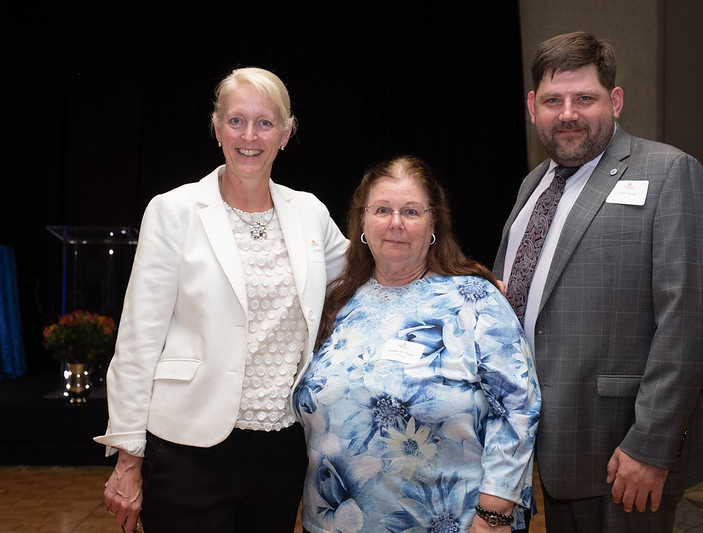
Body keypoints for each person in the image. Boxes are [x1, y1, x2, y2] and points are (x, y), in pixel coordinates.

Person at [94, 67, 348, 533]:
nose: (249, 135)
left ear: (286, 134)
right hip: (188, 447)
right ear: (216, 128)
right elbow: (137, 338)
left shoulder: (309, 212)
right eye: (236, 121)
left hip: (281, 449)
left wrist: (455, 281)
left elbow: (369, 280)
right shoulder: (173, 211)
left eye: (265, 123)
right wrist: (129, 458)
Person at [493, 31, 703, 532]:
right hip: (550, 444)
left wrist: (651, 444)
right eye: (553, 100)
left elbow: (691, 321)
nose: (568, 113)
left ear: (614, 101)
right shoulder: (534, 184)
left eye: (585, 98)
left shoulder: (668, 172)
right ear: (533, 106)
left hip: (624, 452)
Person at [294, 155, 541, 533]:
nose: (395, 223)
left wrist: (494, 515)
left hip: (453, 522)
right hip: (337, 522)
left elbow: (518, 406)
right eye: (382, 210)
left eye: (410, 211)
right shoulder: (336, 301)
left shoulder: (476, 299)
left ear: (433, 224)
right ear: (362, 222)